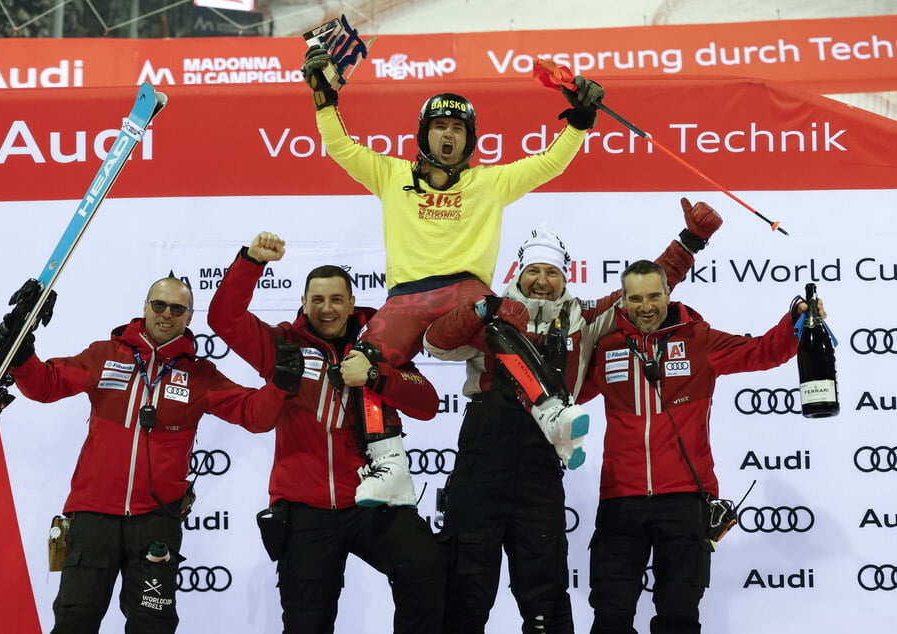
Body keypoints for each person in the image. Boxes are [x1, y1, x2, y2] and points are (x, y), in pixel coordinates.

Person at [302, 44, 604, 505]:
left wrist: (580, 121)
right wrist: (324, 99)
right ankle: (390, 468)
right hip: (407, 300)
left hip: (466, 296)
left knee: (503, 317)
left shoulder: (490, 183)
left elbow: (549, 163)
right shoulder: (390, 174)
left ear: (470, 138)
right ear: (424, 133)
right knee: (358, 362)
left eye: (458, 128)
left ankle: (553, 416)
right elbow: (340, 146)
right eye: (440, 125)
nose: (448, 135)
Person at [424, 199, 722, 633]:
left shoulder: (583, 316)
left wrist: (690, 242)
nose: (542, 281)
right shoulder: (490, 311)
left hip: (540, 467)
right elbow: (436, 343)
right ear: (518, 273)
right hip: (483, 462)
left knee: (545, 592)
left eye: (551, 272)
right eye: (533, 271)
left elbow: (644, 290)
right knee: (465, 587)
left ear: (565, 275)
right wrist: (480, 310)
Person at [0, 276, 274, 633]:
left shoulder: (200, 375)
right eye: (158, 305)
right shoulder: (105, 355)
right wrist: (21, 356)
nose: (166, 315)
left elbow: (254, 414)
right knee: (74, 621)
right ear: (145, 308)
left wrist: (281, 385)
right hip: (93, 514)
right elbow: (46, 384)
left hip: (155, 520)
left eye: (177, 309)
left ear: (189, 317)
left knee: (152, 626)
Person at [206, 231, 446, 633]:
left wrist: (376, 375)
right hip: (305, 510)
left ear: (352, 303)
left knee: (426, 569)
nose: (327, 308)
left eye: (336, 299)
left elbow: (428, 404)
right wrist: (251, 262)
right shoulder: (283, 344)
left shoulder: (380, 346)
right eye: (317, 300)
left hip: (371, 503)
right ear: (303, 303)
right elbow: (224, 319)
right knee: (306, 622)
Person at [580, 259, 821, 633]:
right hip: (620, 499)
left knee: (678, 617)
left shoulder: (698, 339)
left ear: (668, 293)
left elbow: (761, 351)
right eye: (636, 298)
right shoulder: (606, 347)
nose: (646, 306)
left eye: (654, 296)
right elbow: (567, 393)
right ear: (623, 302)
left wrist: (795, 324)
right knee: (610, 616)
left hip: (684, 499)